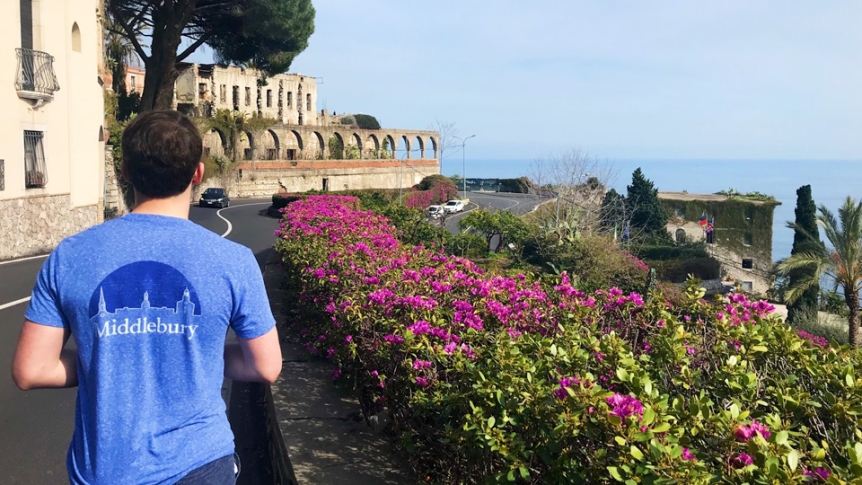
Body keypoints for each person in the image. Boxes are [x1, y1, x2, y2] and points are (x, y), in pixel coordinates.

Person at [11, 110, 282, 484]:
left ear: (125, 171)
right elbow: (265, 366)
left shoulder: (71, 255)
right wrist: (191, 351)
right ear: (197, 174)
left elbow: (33, 369)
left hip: (104, 471)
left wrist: (106, 354)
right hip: (201, 465)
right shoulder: (233, 260)